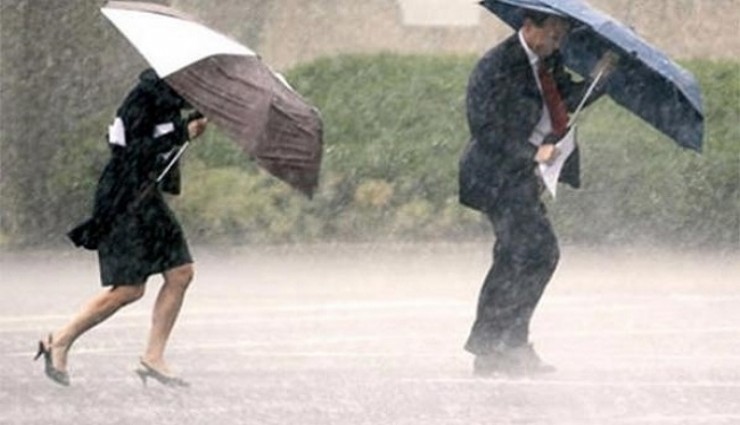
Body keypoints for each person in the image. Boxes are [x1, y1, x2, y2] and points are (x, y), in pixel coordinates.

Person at [458, 9, 616, 376]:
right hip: (494, 176)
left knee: (518, 256)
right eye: (554, 35)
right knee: (536, 252)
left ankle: (498, 346)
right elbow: (484, 128)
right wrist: (532, 152)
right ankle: (503, 345)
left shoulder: (548, 61)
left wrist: (600, 78)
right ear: (529, 27)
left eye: (561, 36)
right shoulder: (496, 65)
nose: (558, 43)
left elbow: (565, 99)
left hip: (522, 177)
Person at [35, 69, 208, 387]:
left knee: (180, 273)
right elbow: (128, 150)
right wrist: (182, 132)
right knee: (129, 289)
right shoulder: (143, 97)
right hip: (123, 199)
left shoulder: (172, 100)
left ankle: (153, 356)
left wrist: (189, 126)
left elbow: (160, 147)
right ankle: (59, 341)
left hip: (147, 198)